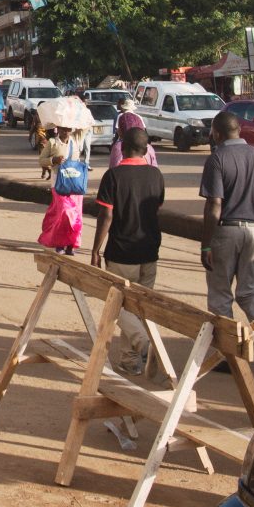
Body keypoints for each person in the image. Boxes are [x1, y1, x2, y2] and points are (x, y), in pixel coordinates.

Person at [199, 111, 254, 376]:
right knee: (250, 292)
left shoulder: (217, 159)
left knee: (220, 295)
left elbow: (215, 204)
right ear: (239, 130)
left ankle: (230, 353)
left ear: (216, 133)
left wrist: (206, 244)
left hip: (227, 230)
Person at [90, 127, 164, 374]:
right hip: (150, 250)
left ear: (122, 147)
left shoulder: (114, 176)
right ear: (146, 150)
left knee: (119, 305)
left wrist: (95, 249)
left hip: (121, 250)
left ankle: (143, 344)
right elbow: (157, 209)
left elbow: (107, 215)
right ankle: (130, 360)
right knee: (141, 307)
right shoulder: (156, 175)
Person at [38, 122, 91, 255]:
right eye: (63, 128)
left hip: (75, 184)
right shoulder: (52, 142)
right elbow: (41, 160)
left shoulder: (76, 139)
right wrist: (53, 160)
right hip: (59, 184)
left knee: (76, 215)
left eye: (68, 128)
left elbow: (87, 125)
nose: (66, 131)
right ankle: (60, 243)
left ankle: (71, 244)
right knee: (64, 213)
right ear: (58, 129)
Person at [108, 96, 157, 169]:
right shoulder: (139, 117)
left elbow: (117, 130)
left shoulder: (120, 116)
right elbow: (144, 131)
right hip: (139, 140)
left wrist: (114, 144)